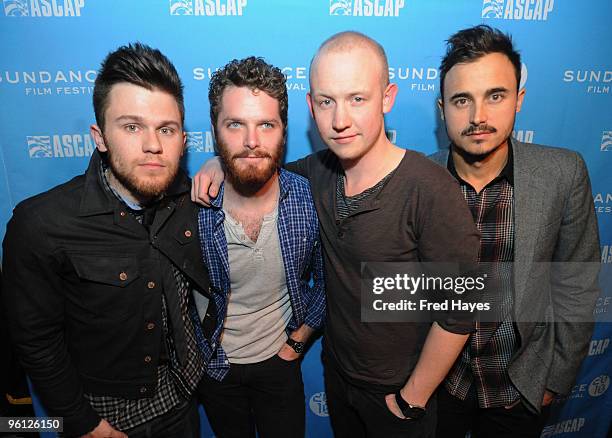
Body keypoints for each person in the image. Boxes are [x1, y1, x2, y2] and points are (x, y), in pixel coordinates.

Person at [192, 32, 480, 437]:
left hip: (400, 396)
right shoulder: (317, 174)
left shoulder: (430, 188)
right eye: (327, 102)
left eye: (357, 99)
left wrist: (412, 398)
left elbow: (462, 311)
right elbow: (258, 162)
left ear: (387, 98)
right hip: (338, 379)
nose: (340, 119)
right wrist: (219, 163)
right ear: (311, 107)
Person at [2, 43, 209, 438]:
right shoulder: (41, 224)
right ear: (100, 136)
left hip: (184, 402)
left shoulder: (192, 200)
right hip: (106, 420)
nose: (153, 145)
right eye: (132, 126)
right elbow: (36, 340)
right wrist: (83, 423)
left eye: (166, 129)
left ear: (183, 139)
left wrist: (217, 163)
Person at [431, 25, 601, 438]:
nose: (478, 117)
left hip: (518, 391)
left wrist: (553, 380)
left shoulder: (563, 173)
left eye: (495, 95)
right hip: (438, 389)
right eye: (461, 100)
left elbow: (577, 283)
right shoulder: (418, 178)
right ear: (442, 109)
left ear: (519, 100)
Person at [194, 57, 325, 438]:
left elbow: (329, 278)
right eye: (236, 124)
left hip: (280, 363)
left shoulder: (305, 197)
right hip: (215, 367)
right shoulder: (192, 206)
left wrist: (297, 345)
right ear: (216, 131)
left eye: (266, 124)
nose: (252, 141)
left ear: (283, 131)